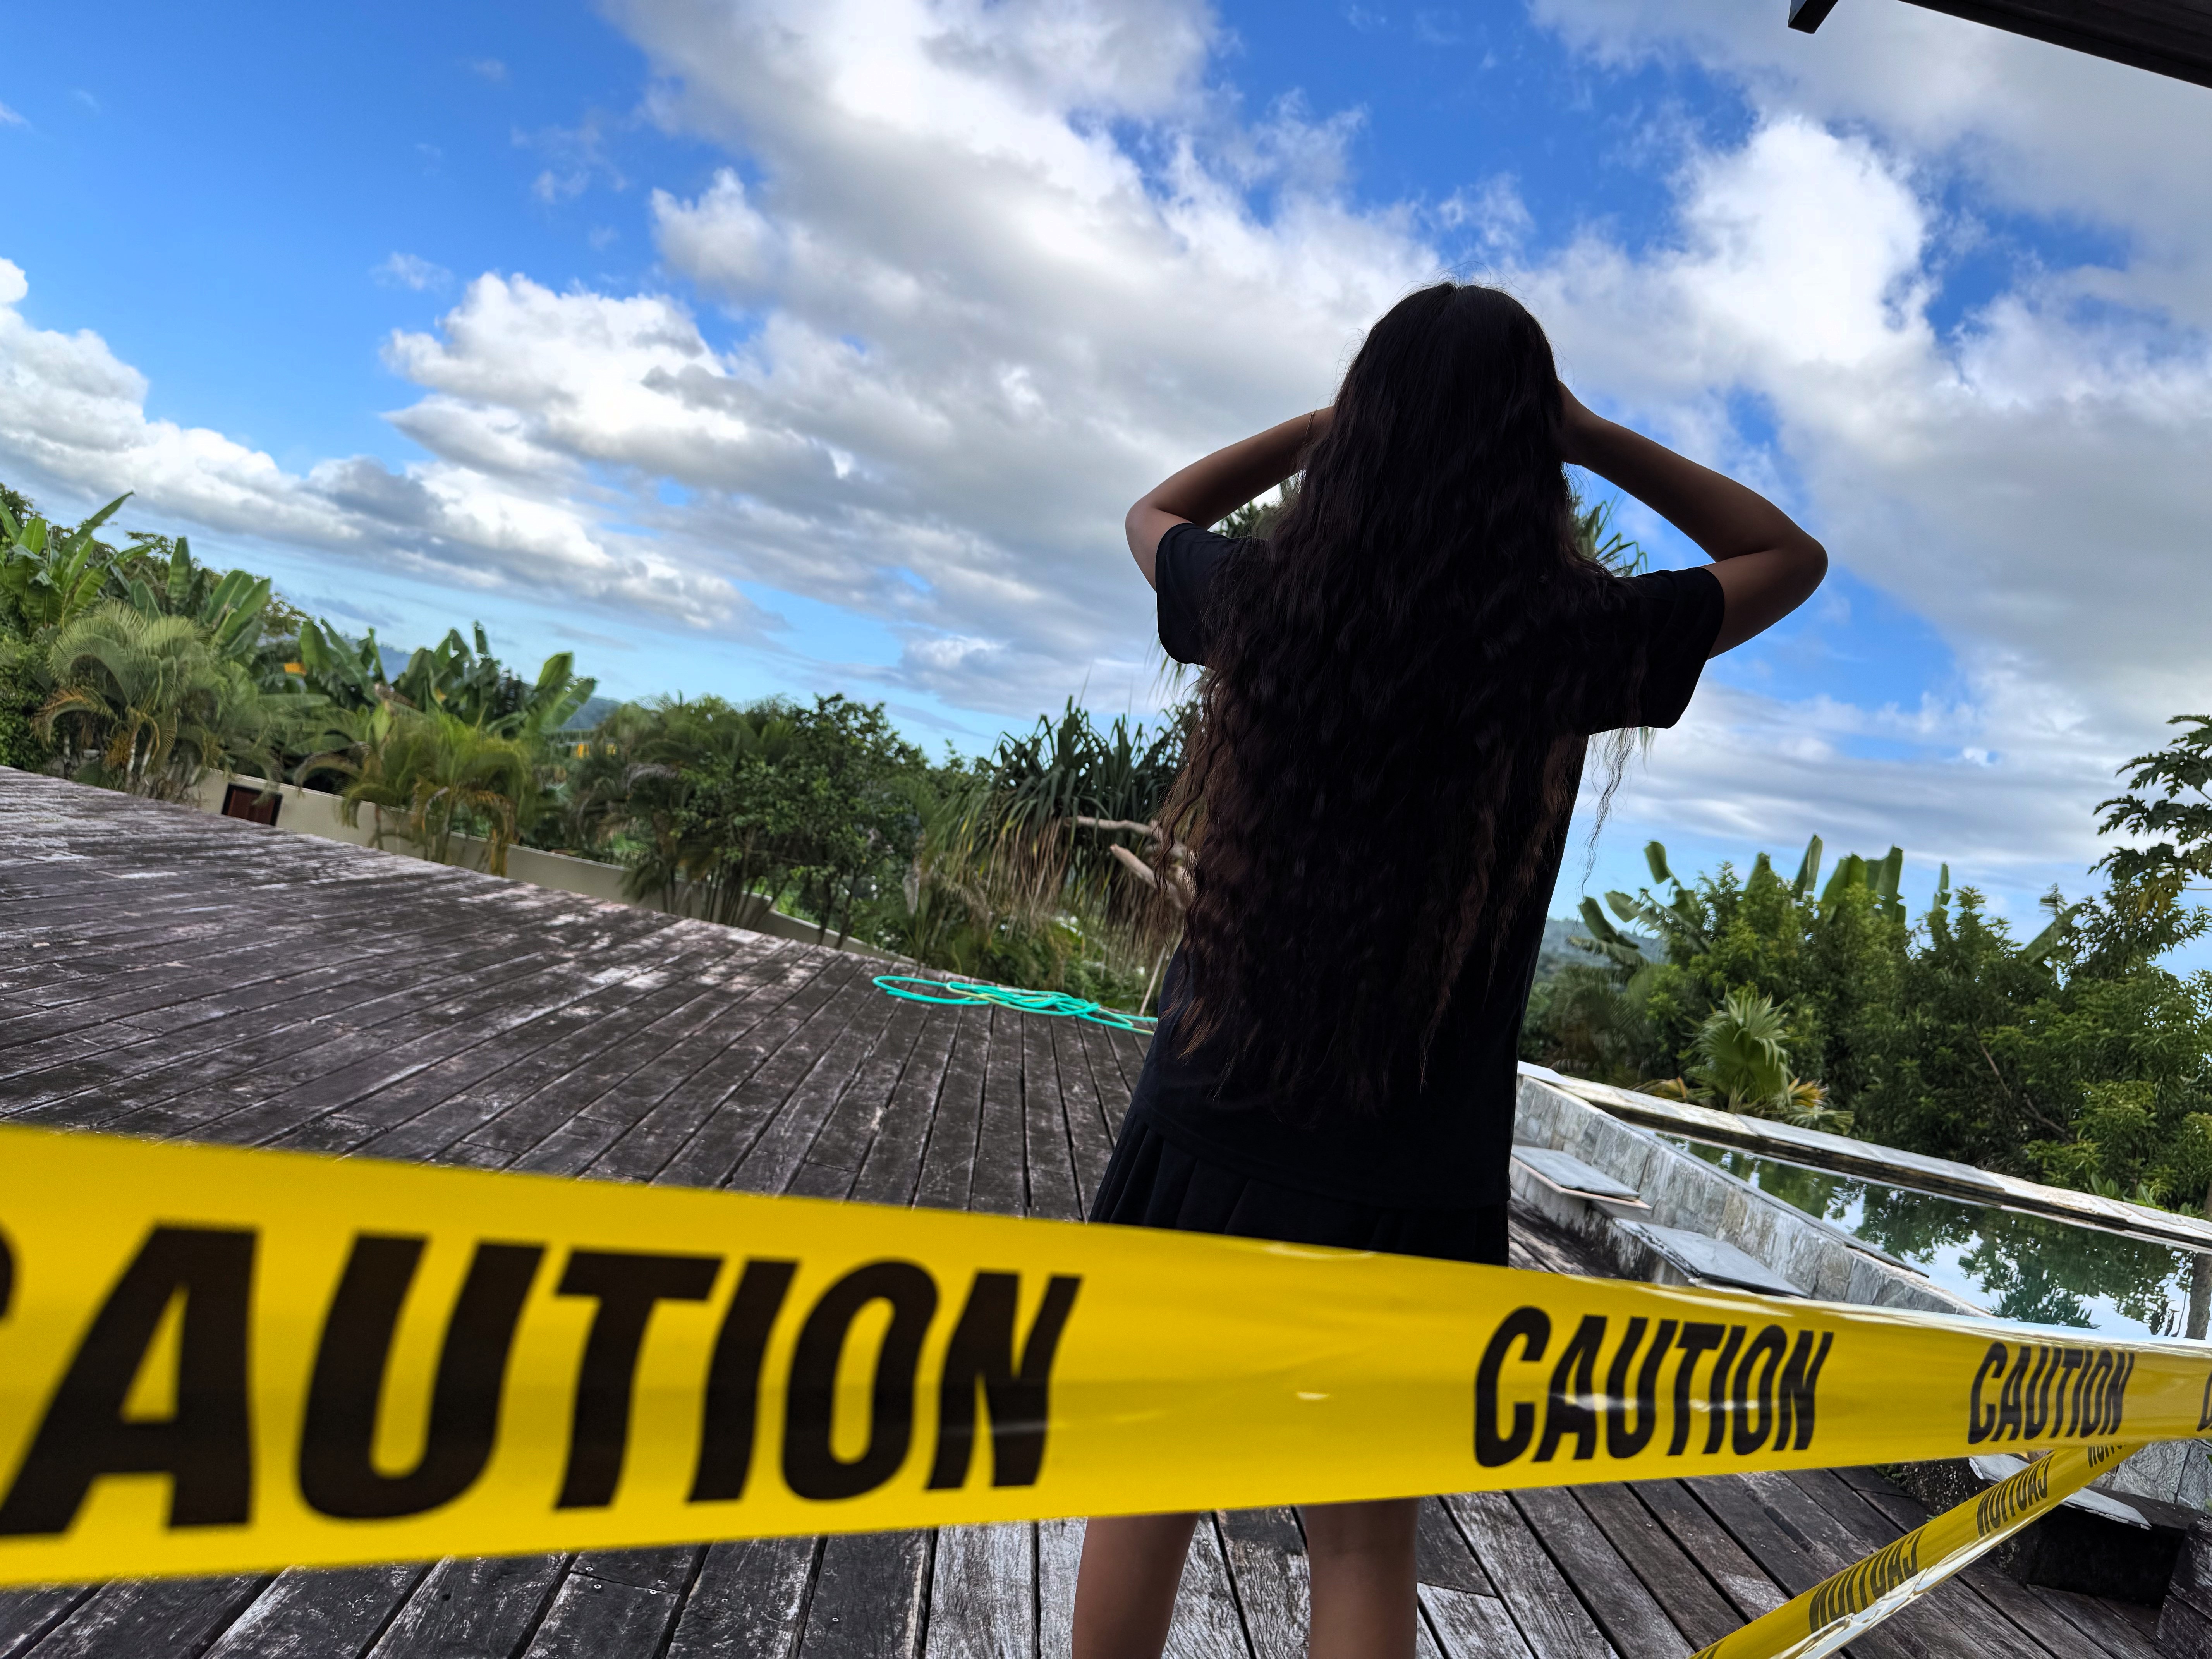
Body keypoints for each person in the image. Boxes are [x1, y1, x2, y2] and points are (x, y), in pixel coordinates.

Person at [1068, 282, 1827, 1659]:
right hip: (1415, 1170)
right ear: (1530, 445)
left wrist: (1325, 427)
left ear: (1363, 426)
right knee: (1364, 1532)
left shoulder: (1269, 605)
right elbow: (1787, 555)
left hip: (1209, 1126)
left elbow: (1153, 513)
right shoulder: (1564, 639)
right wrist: (1587, 436)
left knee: (1146, 1471)